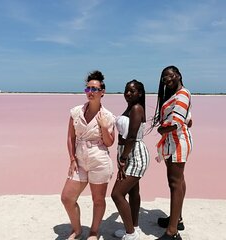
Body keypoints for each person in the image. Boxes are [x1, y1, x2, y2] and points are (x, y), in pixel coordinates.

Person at [61, 70, 116, 240]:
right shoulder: (76, 112)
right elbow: (70, 137)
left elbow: (109, 143)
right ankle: (77, 230)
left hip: (99, 158)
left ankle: (94, 231)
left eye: (94, 89)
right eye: (88, 89)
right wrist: (71, 159)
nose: (90, 92)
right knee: (67, 198)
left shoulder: (107, 116)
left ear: (102, 92)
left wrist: (104, 127)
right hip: (79, 158)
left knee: (98, 200)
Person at [150, 66, 193, 240]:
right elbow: (187, 119)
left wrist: (162, 129)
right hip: (174, 142)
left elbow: (176, 121)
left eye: (170, 76)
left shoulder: (182, 94)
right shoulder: (177, 95)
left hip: (177, 143)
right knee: (179, 181)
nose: (167, 80)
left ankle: (172, 231)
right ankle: (177, 219)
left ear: (179, 75)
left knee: (174, 183)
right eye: (164, 78)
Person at [111, 80, 150, 240]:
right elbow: (124, 133)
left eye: (132, 91)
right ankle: (134, 227)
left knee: (117, 194)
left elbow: (132, 136)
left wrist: (123, 158)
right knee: (133, 192)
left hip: (135, 155)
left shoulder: (136, 108)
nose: (128, 93)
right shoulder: (130, 108)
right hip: (128, 152)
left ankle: (131, 234)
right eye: (126, 91)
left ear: (139, 93)